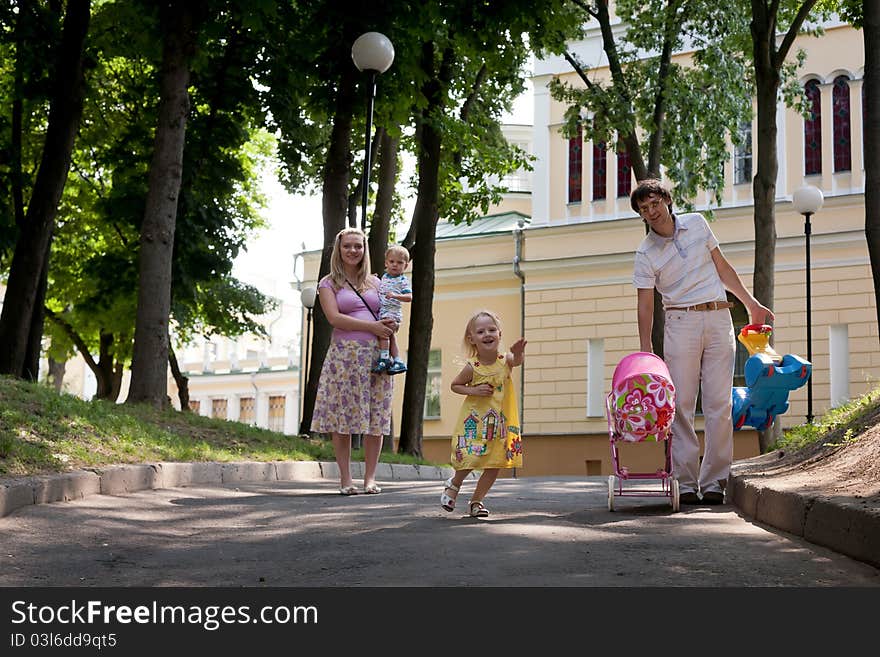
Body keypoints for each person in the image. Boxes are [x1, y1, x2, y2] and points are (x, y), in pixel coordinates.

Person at [631, 178, 774, 505]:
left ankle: (714, 482)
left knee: (719, 403)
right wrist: (645, 350)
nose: (651, 212)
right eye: (644, 209)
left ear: (666, 200)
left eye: (655, 203)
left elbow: (722, 267)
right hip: (680, 322)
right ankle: (684, 482)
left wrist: (751, 304)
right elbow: (644, 304)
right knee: (681, 405)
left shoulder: (697, 224)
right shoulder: (645, 252)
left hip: (719, 316)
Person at [310, 227, 398, 495]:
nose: (352, 251)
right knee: (343, 417)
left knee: (377, 415)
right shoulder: (328, 283)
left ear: (365, 249)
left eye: (357, 246)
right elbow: (334, 318)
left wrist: (391, 332)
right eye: (347, 246)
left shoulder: (377, 283)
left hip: (376, 355)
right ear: (338, 249)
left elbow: (390, 315)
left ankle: (370, 479)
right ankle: (346, 479)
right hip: (344, 355)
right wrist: (372, 327)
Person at [440, 310, 526, 517]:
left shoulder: (505, 360)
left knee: (494, 464)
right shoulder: (473, 367)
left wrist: (519, 352)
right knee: (470, 457)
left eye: (491, 330)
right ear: (472, 339)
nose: (487, 334)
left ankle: (476, 502)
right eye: (480, 331)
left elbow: (517, 361)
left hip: (500, 425)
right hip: (476, 423)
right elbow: (455, 385)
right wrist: (473, 390)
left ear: (499, 334)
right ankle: (454, 484)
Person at [371, 245, 412, 375]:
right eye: (392, 262)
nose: (395, 265)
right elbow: (381, 289)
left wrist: (395, 295)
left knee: (383, 334)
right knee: (391, 337)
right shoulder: (385, 277)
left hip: (392, 312)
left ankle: (384, 359)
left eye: (399, 263)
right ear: (386, 263)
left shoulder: (403, 280)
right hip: (383, 311)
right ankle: (398, 360)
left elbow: (409, 297)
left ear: (405, 266)